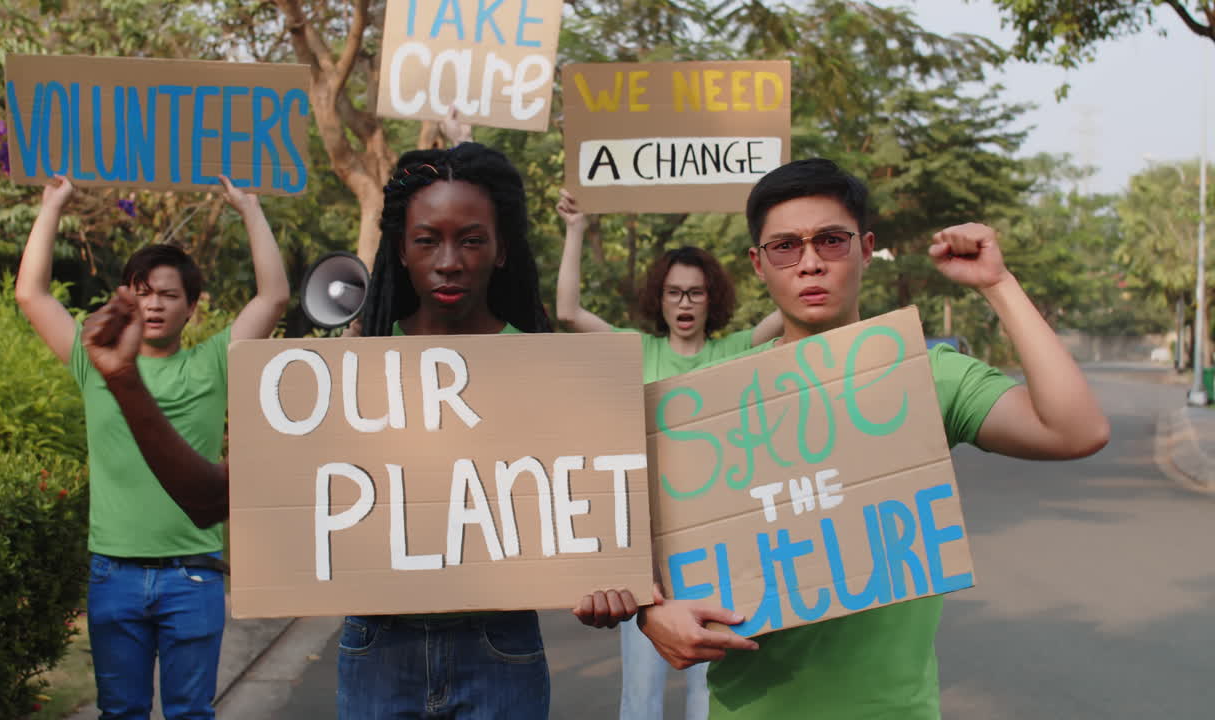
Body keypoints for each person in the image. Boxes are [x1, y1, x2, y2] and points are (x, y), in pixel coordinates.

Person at [80, 143, 637, 719]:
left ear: (500, 251)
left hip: (504, 650)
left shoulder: (550, 370)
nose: (448, 260)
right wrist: (124, 379)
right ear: (401, 249)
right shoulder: (343, 372)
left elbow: (594, 519)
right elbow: (206, 501)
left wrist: (607, 582)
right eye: (427, 240)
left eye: (471, 239)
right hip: (378, 652)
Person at [635, 158, 1111, 720]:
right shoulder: (708, 403)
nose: (810, 263)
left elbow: (1076, 429)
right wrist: (649, 612)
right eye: (785, 247)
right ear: (759, 265)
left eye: (830, 241)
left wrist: (997, 284)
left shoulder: (927, 374)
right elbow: (642, 544)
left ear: (865, 249)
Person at [15, 174, 290, 720]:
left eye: (169, 295)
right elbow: (31, 293)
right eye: (142, 294)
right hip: (112, 574)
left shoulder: (213, 362)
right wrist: (53, 205)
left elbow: (274, 295)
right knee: (121, 713)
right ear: (126, 301)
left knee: (191, 713)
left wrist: (250, 207)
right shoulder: (94, 361)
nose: (155, 306)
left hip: (192, 575)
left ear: (192, 307)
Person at [554, 191, 780, 720]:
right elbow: (567, 311)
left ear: (711, 299)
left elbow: (795, 302)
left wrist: (776, 233)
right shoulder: (638, 350)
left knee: (711, 692)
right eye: (675, 292)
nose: (684, 303)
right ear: (660, 298)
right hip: (650, 556)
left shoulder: (737, 351)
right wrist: (576, 229)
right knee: (641, 694)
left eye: (696, 293)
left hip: (722, 549)